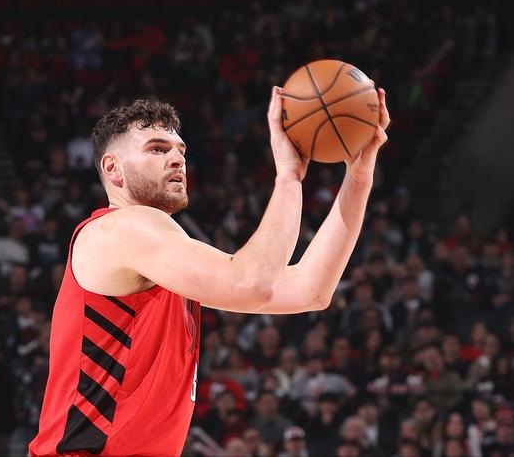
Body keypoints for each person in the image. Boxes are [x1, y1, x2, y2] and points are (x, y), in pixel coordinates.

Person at [29, 86, 390, 456]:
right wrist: (288, 176)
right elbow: (252, 284)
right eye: (157, 149)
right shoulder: (123, 227)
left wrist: (358, 178)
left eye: (180, 150)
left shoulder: (162, 258)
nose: (177, 159)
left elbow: (310, 290)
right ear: (112, 168)